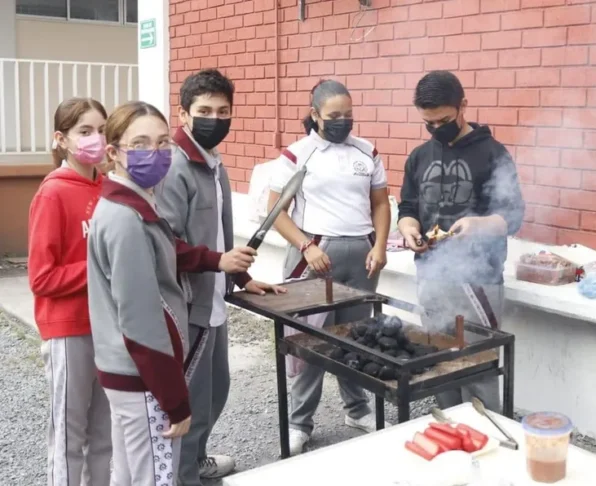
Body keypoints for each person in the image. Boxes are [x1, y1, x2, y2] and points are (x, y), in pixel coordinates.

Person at [86, 101, 257, 485]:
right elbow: (142, 321)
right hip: (142, 379)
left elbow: (170, 248)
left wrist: (218, 261)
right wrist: (176, 401)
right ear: (113, 153)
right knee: (154, 478)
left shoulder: (137, 204)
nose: (157, 153)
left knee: (129, 476)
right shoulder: (125, 218)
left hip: (130, 374)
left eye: (163, 143)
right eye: (141, 144)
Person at [156, 69, 285, 484]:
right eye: (205, 110)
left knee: (215, 392)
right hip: (187, 304)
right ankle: (182, 476)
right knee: (190, 403)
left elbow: (220, 234)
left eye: (223, 111)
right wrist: (217, 263)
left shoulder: (213, 163)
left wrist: (243, 278)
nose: (215, 118)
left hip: (214, 302)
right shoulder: (174, 166)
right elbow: (165, 244)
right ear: (184, 113)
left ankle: (197, 461)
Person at [268, 79, 392, 455]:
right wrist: (305, 246)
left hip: (362, 256)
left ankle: (357, 410)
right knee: (313, 342)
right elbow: (275, 211)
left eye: (348, 115)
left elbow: (381, 205)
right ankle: (299, 423)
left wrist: (381, 246)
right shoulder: (297, 154)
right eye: (334, 116)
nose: (342, 121)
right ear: (315, 115)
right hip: (317, 255)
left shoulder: (366, 152)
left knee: (355, 336)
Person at [397, 71, 525, 413]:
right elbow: (408, 207)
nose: (437, 129)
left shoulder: (492, 153)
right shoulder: (419, 157)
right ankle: (451, 432)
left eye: (444, 120)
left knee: (476, 366)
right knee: (439, 361)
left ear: (463, 106)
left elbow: (513, 215)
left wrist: (478, 225)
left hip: (477, 281)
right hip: (431, 276)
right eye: (429, 123)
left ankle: (486, 437)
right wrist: (408, 228)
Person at [28, 97, 111, 486]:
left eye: (101, 129)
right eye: (85, 131)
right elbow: (42, 278)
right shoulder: (52, 194)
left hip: (108, 327)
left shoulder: (110, 188)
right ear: (61, 139)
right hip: (69, 330)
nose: (96, 139)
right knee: (68, 433)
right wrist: (98, 268)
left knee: (104, 434)